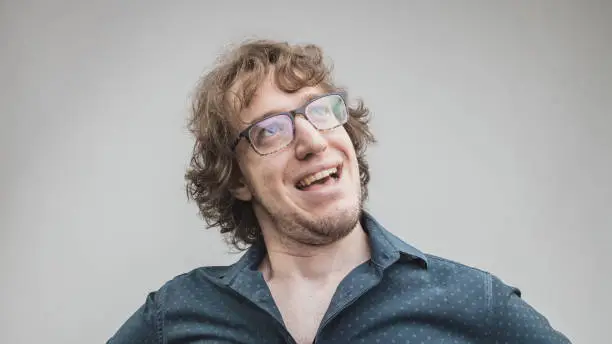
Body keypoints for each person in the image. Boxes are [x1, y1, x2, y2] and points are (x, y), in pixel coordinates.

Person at [107, 39, 571, 344]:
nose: (312, 141)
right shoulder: (181, 313)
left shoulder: (469, 301)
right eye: (270, 131)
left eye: (322, 112)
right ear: (238, 180)